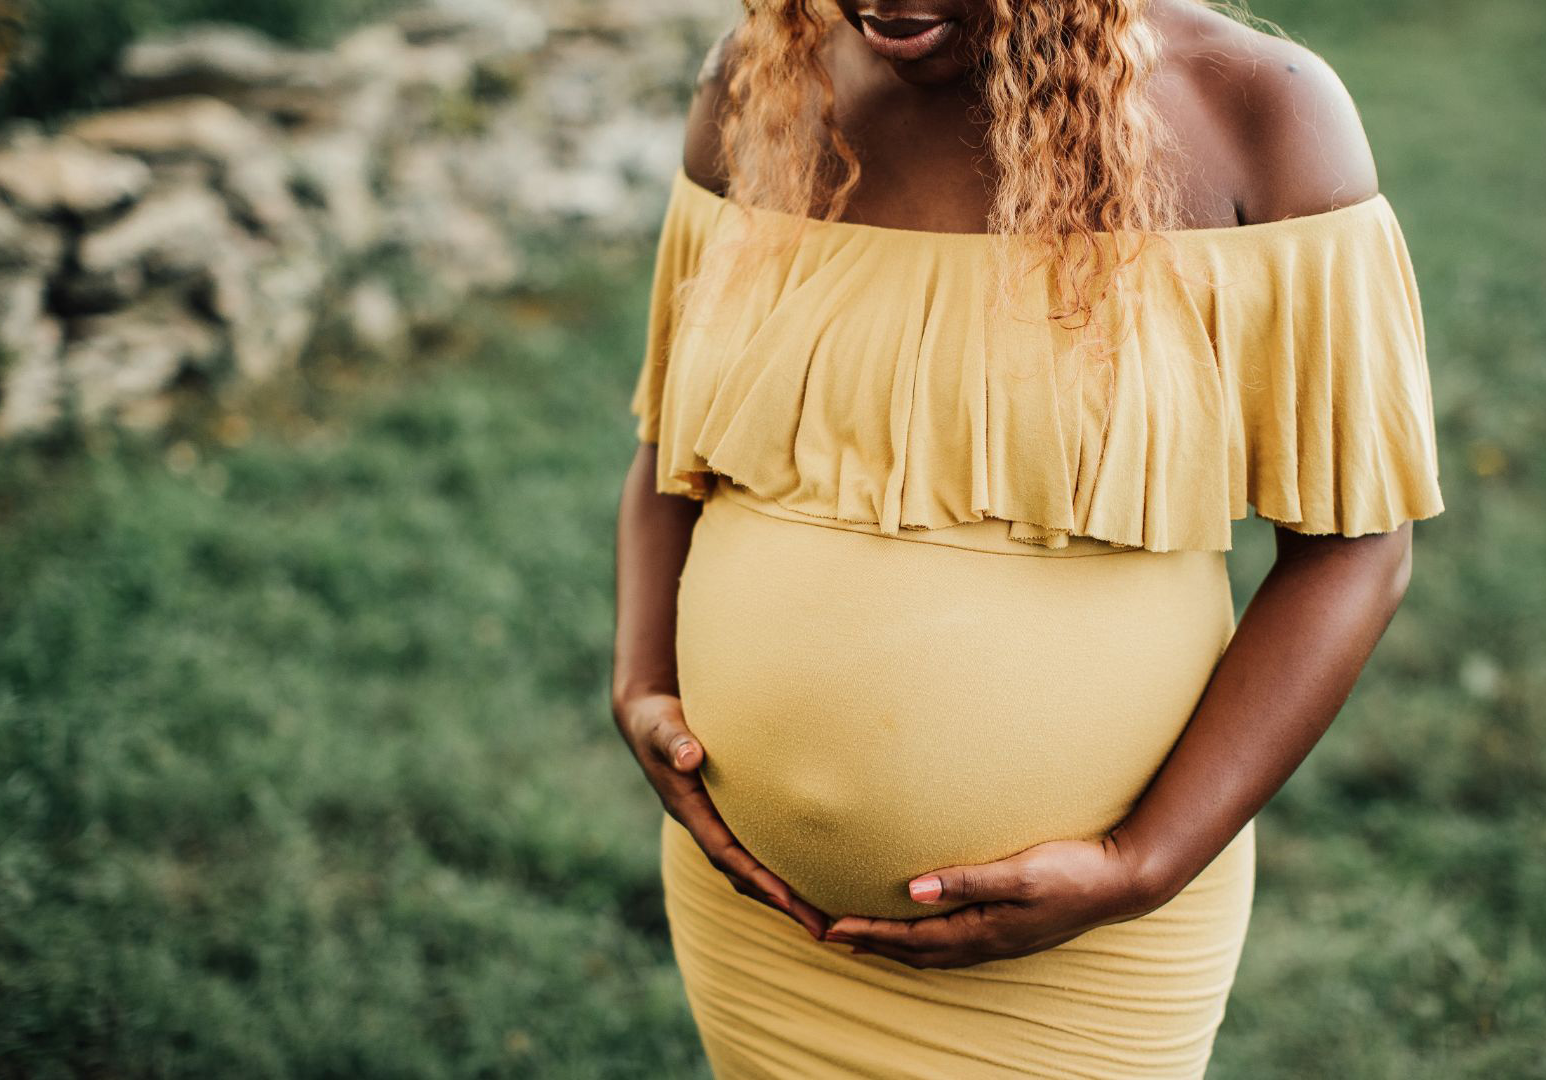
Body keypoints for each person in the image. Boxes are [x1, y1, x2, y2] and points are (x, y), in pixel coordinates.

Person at [611, 2, 1444, 1075]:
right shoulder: (761, 84)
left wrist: (1141, 865)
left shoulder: (1257, 107)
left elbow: (1355, 549)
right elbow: (670, 446)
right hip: (758, 927)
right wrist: (638, 682)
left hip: (1083, 953)